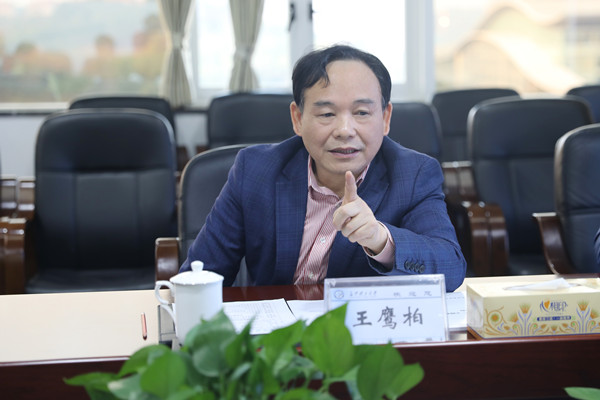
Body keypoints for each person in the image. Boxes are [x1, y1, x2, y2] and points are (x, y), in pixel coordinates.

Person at [181, 44, 466, 291]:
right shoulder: (255, 170)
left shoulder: (413, 174)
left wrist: (380, 240)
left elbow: (451, 268)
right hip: (277, 332)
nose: (345, 130)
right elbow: (200, 273)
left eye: (362, 112)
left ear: (386, 118)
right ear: (298, 118)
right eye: (327, 113)